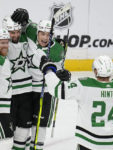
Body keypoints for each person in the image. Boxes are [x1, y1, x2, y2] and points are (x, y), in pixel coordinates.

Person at [40, 55, 113, 150]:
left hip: (88, 143)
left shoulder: (84, 85)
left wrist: (48, 70)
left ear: (96, 71)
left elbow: (56, 89)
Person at [11, 8, 70, 150]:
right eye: (42, 34)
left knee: (40, 125)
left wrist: (64, 75)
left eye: (48, 35)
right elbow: (25, 24)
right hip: (25, 87)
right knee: (22, 126)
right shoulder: (31, 30)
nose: (44, 38)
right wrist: (23, 17)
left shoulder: (57, 51)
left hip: (43, 90)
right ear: (37, 32)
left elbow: (59, 73)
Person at [2, 16, 33, 150]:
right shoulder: (3, 44)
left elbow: (38, 33)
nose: (15, 35)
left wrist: (29, 21)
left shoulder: (26, 40)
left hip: (27, 93)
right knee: (9, 133)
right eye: (12, 32)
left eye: (18, 31)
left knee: (24, 131)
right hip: (10, 96)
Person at [0, 28, 13, 149]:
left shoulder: (5, 59)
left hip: (5, 107)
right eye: (2, 42)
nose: (5, 45)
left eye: (6, 42)